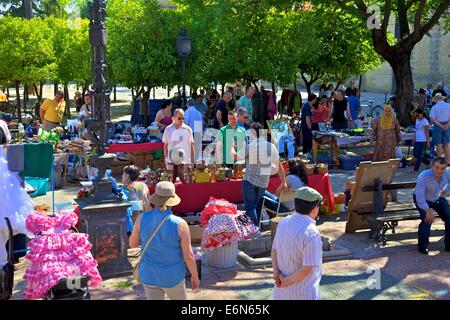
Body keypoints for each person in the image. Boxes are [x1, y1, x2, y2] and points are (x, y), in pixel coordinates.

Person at [129, 181, 200, 300]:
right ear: (172, 200)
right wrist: (195, 276)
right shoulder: (180, 224)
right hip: (173, 276)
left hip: (149, 275)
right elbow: (189, 256)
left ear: (155, 198)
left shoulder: (141, 218)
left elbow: (133, 244)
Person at [272, 187, 323, 300]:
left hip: (281, 293)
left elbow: (274, 249)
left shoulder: (283, 222)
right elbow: (307, 268)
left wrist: (276, 273)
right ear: (315, 208)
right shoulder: (312, 233)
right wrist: (287, 281)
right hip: (304, 294)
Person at [242, 122, 287, 226]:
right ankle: (257, 228)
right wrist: (283, 181)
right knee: (257, 205)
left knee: (250, 207)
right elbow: (279, 167)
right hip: (263, 183)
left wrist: (231, 148)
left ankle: (254, 232)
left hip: (250, 181)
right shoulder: (271, 147)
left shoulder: (251, 146)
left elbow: (236, 158)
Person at [413, 157, 450, 254]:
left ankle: (449, 245)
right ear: (432, 166)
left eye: (442, 168)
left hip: (436, 197)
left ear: (445, 168)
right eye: (437, 167)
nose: (439, 171)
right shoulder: (423, 176)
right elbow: (420, 196)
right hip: (422, 199)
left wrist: (445, 190)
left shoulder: (447, 174)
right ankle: (422, 246)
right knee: (427, 219)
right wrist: (428, 211)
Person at [163, 109, 195, 182]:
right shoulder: (168, 129)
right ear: (173, 117)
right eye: (179, 118)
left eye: (183, 118)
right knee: (171, 183)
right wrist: (165, 158)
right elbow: (165, 145)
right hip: (171, 161)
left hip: (185, 162)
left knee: (186, 183)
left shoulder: (188, 129)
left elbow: (191, 145)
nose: (181, 120)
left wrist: (192, 161)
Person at [429, 93, 450, 163]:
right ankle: (448, 160)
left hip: (438, 125)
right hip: (447, 125)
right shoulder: (448, 105)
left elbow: (432, 119)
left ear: (436, 99)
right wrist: (447, 124)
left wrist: (441, 126)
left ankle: (439, 160)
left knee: (439, 144)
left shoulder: (434, 107)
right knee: (447, 143)